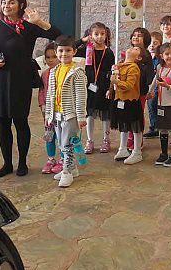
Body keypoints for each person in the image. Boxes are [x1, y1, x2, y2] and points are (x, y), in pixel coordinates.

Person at [0, 0, 60, 178]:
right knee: (2, 123)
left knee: (20, 122)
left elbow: (59, 36)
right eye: (4, 2)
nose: (6, 6)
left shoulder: (29, 27)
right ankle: (7, 164)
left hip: (20, 81)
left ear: (21, 5)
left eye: (11, 3)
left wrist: (39, 22)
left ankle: (22, 163)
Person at [43, 36, 87, 188]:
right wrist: (48, 114)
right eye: (61, 51)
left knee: (68, 144)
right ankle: (72, 169)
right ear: (56, 52)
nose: (64, 54)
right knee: (61, 144)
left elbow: (81, 96)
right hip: (57, 114)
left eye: (68, 50)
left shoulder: (77, 72)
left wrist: (81, 116)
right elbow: (50, 94)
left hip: (71, 115)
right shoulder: (54, 71)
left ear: (74, 51)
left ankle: (67, 172)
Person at [76, 22, 116, 155]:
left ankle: (106, 139)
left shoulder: (108, 52)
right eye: (96, 34)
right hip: (88, 86)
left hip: (104, 86)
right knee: (89, 113)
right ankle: (90, 140)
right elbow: (71, 47)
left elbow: (111, 72)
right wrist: (82, 40)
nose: (100, 37)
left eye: (102, 34)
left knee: (105, 114)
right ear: (90, 35)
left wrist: (110, 88)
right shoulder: (86, 50)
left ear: (106, 35)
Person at [108, 45, 146, 165]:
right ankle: (122, 148)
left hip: (131, 101)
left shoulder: (133, 68)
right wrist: (110, 88)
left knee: (135, 127)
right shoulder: (119, 65)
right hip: (119, 99)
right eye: (133, 47)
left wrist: (116, 82)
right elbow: (113, 81)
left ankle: (137, 151)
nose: (132, 48)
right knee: (123, 125)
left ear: (138, 58)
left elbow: (129, 85)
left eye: (136, 49)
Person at [149, 43, 171, 167]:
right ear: (161, 56)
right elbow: (155, 80)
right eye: (167, 54)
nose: (170, 56)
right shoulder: (160, 67)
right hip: (162, 104)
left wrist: (167, 86)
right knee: (163, 129)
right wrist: (150, 91)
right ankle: (164, 154)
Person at [38, 42, 63, 174]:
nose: (51, 60)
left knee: (62, 136)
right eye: (48, 57)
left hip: (61, 110)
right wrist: (42, 105)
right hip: (48, 111)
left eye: (54, 56)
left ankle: (63, 159)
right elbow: (42, 91)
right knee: (49, 134)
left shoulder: (63, 72)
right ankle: (50, 159)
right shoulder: (45, 73)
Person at [145, 29, 162, 138]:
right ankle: (154, 126)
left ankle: (156, 128)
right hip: (147, 85)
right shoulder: (146, 57)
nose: (152, 45)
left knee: (154, 106)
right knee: (150, 107)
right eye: (150, 43)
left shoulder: (159, 59)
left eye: (155, 43)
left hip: (156, 86)